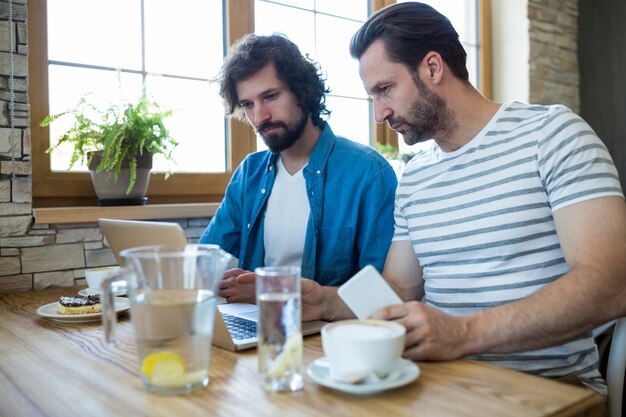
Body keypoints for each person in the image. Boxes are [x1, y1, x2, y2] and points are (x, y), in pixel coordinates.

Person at [306, 2, 626, 395]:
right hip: (441, 385)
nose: (379, 113)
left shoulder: (553, 135)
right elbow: (400, 289)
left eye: (385, 89)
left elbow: (613, 283)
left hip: (549, 389)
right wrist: (323, 302)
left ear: (433, 68)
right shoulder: (416, 178)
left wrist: (461, 334)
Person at [199, 34, 398, 310]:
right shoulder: (249, 173)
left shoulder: (369, 173)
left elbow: (382, 293)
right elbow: (205, 263)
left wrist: (270, 289)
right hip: (255, 325)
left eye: (270, 96)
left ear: (302, 92)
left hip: (328, 334)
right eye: (248, 104)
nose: (260, 117)